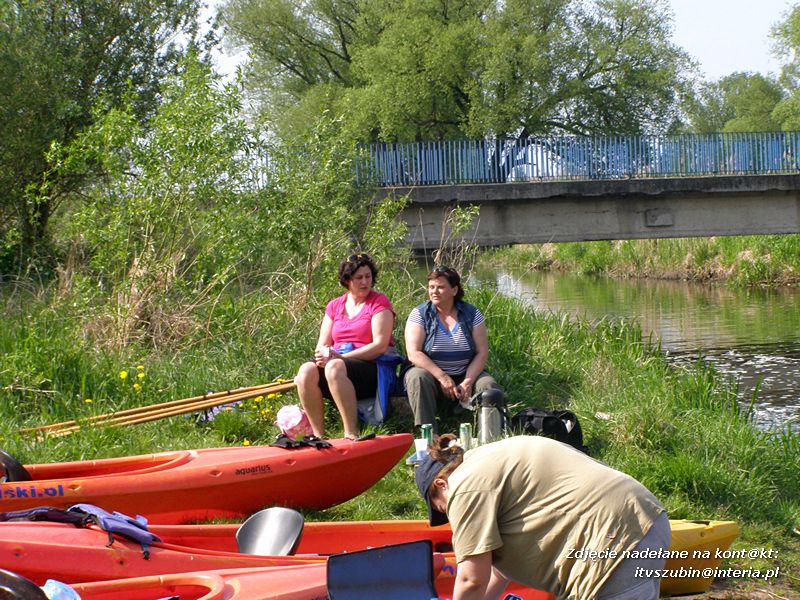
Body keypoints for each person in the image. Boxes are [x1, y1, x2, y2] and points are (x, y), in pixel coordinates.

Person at [416, 434, 671, 600]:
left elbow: (471, 580)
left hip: (609, 541)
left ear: (441, 484)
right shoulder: (494, 458)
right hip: (646, 520)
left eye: (442, 509)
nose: (450, 517)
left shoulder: (465, 485)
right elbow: (498, 572)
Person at [295, 253, 395, 439]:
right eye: (359, 278)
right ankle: (318, 436)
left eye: (368, 276)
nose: (365, 282)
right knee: (305, 371)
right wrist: (323, 355)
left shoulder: (379, 302)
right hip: (338, 363)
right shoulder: (334, 306)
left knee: (334, 367)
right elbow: (323, 343)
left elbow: (380, 346)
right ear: (347, 280)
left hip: (370, 367)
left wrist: (341, 358)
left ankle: (351, 433)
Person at [403, 266, 503, 432]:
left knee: (488, 384)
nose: (434, 291)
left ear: (454, 290)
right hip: (432, 376)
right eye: (431, 287)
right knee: (417, 377)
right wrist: (442, 377)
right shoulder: (419, 314)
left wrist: (468, 381)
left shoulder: (472, 313)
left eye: (441, 287)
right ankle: (429, 435)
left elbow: (482, 352)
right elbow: (414, 353)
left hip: (465, 373)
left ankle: (491, 434)